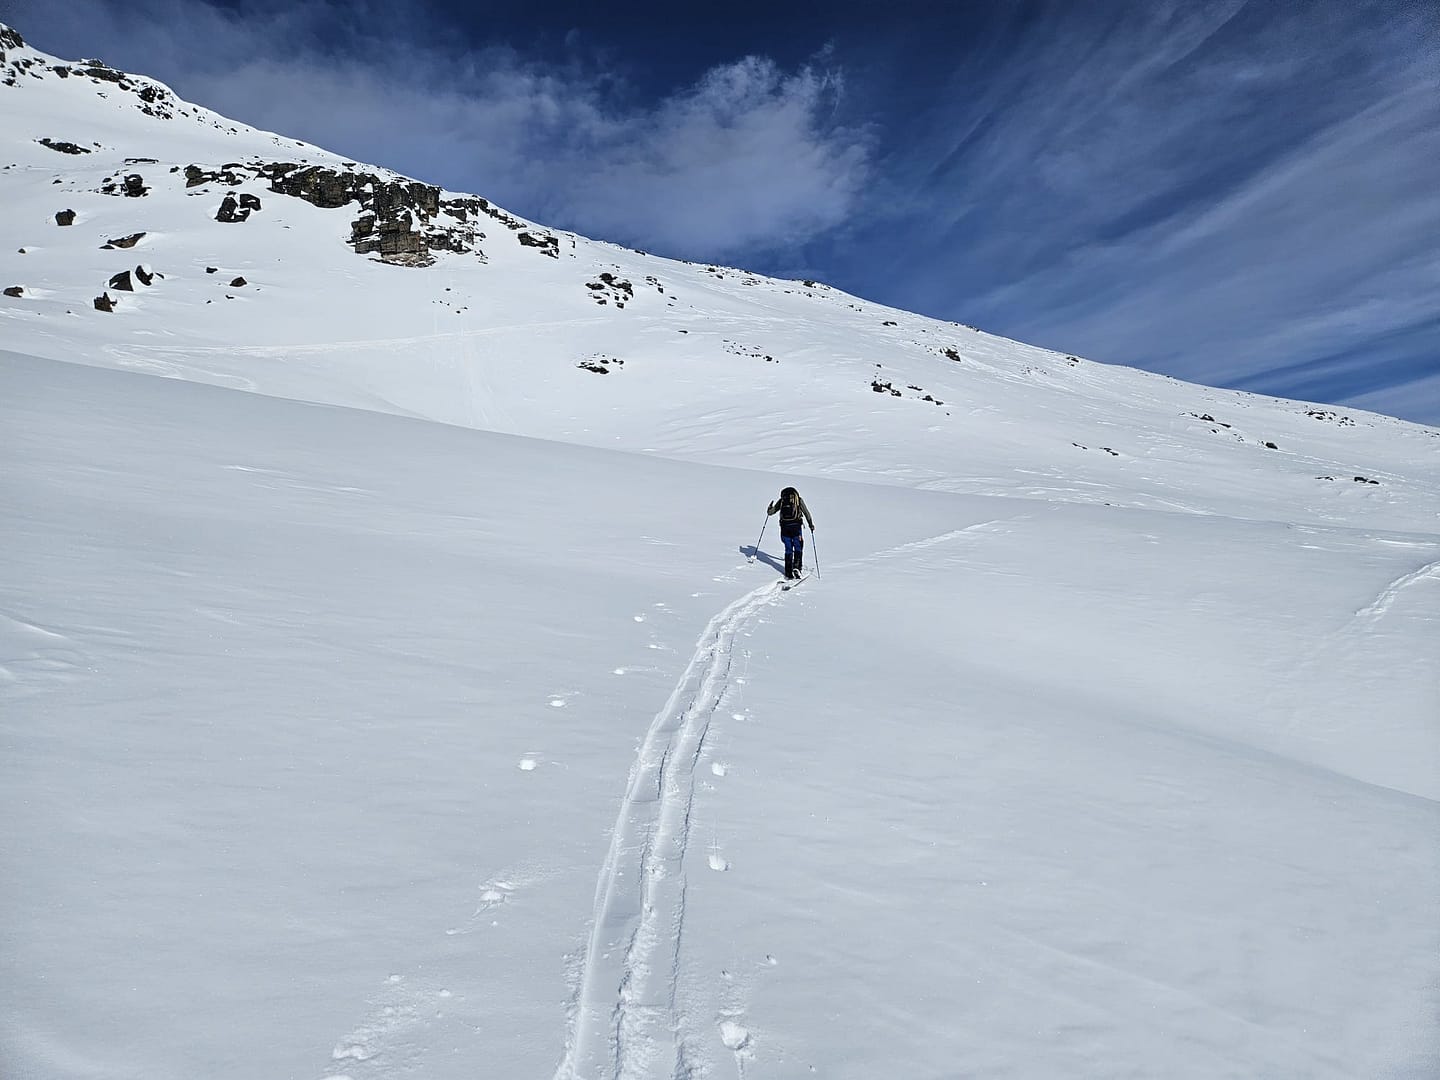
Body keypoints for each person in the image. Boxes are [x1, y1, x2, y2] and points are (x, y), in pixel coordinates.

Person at [766, 486, 814, 579]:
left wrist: (769, 508)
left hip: (784, 527)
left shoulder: (782, 500)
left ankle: (788, 572)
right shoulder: (798, 500)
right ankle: (797, 567)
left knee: (788, 548)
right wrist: (811, 525)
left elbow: (770, 512)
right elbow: (806, 513)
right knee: (798, 546)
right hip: (796, 527)